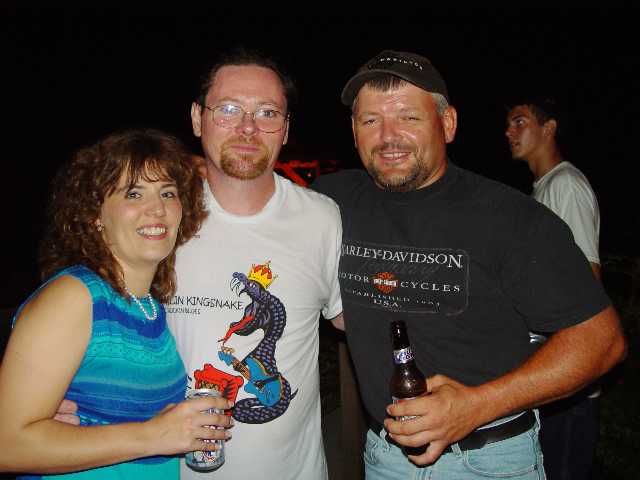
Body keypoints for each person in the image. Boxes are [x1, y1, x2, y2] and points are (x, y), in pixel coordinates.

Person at [312, 50, 626, 479]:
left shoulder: (510, 217)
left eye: (408, 117)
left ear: (447, 123)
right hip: (384, 457)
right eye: (370, 121)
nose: (388, 136)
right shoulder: (331, 202)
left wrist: (476, 406)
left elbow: (601, 340)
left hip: (488, 460)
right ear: (353, 132)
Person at [0, 129, 232, 479]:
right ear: (95, 213)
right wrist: (154, 435)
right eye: (133, 193)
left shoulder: (149, 307)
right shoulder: (74, 298)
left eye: (167, 193)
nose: (157, 209)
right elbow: (7, 446)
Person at [165, 49, 343, 480]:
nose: (248, 127)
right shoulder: (159, 216)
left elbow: (363, 324)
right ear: (197, 118)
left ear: (286, 128)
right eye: (228, 109)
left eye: (267, 112)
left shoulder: (322, 218)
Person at [506, 96, 602, 479]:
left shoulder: (566, 186)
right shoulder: (543, 190)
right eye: (508, 124)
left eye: (519, 122)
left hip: (569, 379)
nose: (509, 131)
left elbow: (588, 279)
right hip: (548, 372)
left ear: (549, 128)